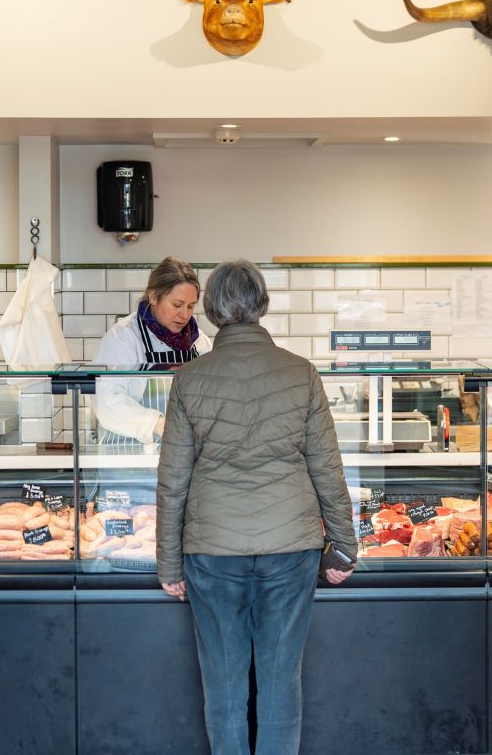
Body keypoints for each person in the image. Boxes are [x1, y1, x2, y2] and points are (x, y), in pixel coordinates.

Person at [156, 259, 356, 755]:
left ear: (211, 309)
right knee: (281, 681)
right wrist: (344, 546)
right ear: (261, 305)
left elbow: (173, 480)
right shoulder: (301, 372)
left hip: (212, 553)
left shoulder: (189, 378)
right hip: (290, 550)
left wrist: (168, 562)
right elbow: (327, 468)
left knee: (223, 687)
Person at [93, 256, 213, 445]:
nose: (185, 315)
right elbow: (105, 400)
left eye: (191, 306)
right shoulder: (123, 337)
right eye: (177, 305)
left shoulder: (198, 342)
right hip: (125, 451)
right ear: (153, 297)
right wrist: (157, 425)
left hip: (181, 449)